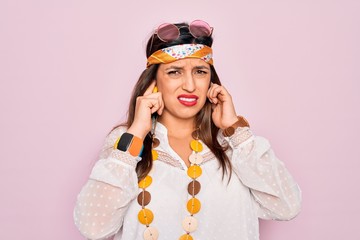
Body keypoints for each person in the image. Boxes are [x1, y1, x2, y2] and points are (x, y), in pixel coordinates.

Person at [73, 20, 301, 240]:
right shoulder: (124, 144)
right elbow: (93, 227)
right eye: (174, 72)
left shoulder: (234, 144)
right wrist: (136, 133)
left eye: (200, 71)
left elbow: (287, 206)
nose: (190, 85)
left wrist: (234, 128)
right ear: (153, 82)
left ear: (212, 81)